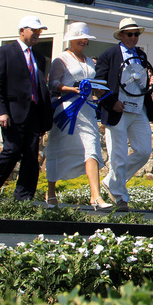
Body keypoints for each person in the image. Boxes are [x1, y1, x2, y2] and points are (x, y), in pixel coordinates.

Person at [44, 22, 112, 210]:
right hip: (67, 111)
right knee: (58, 149)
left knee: (91, 148)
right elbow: (53, 84)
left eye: (85, 39)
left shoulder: (90, 61)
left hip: (87, 111)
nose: (83, 41)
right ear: (72, 40)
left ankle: (96, 196)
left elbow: (94, 82)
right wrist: (70, 89)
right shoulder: (61, 59)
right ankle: (50, 194)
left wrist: (100, 91)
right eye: (80, 38)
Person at [0, 15, 54, 201]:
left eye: (39, 31)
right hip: (12, 113)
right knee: (12, 150)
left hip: (33, 113)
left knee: (31, 156)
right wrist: (0, 111)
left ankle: (24, 197)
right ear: (22, 30)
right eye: (34, 30)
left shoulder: (38, 57)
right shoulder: (5, 52)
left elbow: (39, 85)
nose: (37, 34)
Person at [95, 16, 153, 209]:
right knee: (118, 154)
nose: (133, 37)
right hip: (118, 110)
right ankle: (120, 197)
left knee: (144, 150)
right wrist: (112, 102)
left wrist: (150, 81)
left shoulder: (141, 55)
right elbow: (99, 82)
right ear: (121, 35)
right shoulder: (109, 55)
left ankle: (112, 181)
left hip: (138, 109)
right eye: (130, 34)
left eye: (136, 34)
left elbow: (140, 82)